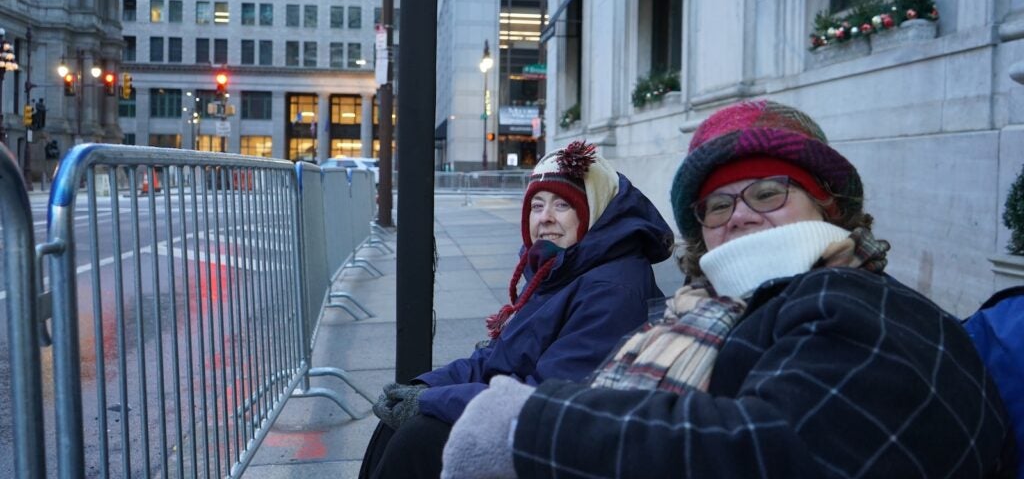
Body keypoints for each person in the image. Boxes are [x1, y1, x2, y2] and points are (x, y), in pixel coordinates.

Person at [441, 100, 1017, 478]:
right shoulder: (718, 305)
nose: (739, 216)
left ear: (828, 204)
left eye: (767, 193)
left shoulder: (852, 301)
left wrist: (526, 426)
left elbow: (772, 451)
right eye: (718, 204)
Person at [359, 140, 675, 479]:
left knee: (419, 437)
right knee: (394, 421)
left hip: (562, 439)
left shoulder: (612, 288)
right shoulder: (561, 265)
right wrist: (426, 386)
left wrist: (433, 402)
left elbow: (551, 398)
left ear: (594, 210)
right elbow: (498, 357)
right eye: (537, 206)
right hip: (520, 409)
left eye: (562, 205)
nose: (545, 218)